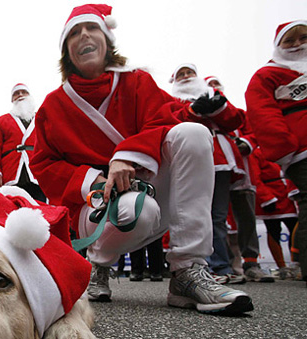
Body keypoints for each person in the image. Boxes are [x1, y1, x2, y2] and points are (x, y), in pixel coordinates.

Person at [30, 4, 253, 315]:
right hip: (96, 206)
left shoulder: (137, 82)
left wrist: (125, 158)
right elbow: (43, 164)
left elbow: (164, 121)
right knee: (140, 211)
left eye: (92, 28)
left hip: (145, 182)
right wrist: (94, 179)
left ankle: (187, 271)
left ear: (107, 39)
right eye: (74, 34)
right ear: (67, 51)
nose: (84, 36)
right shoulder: (53, 106)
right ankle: (96, 263)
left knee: (192, 133)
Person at [168, 64, 249, 284]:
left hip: (220, 160)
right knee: (191, 213)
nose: (186, 77)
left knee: (218, 216)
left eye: (189, 73)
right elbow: (168, 122)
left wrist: (218, 108)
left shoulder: (214, 94)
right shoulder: (171, 100)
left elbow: (236, 121)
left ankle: (220, 267)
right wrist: (192, 111)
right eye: (181, 74)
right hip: (188, 161)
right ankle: (195, 266)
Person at [245, 20, 307, 285]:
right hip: (300, 152)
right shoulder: (268, 74)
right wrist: (286, 146)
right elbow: (263, 113)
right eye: (289, 41)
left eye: (303, 38)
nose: (297, 45)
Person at [205, 75, 263, 281]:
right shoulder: (204, 114)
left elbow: (256, 132)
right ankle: (223, 264)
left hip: (242, 171)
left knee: (245, 215)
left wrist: (245, 143)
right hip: (216, 165)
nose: (212, 88)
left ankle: (251, 261)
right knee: (217, 216)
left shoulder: (237, 113)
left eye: (215, 84)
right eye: (208, 85)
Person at [0, 83, 46, 202]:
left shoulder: (41, 119)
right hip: (11, 173)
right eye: (16, 94)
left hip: (36, 173)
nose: (20, 95)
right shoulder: (2, 120)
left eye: (24, 92)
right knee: (12, 211)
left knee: (40, 211)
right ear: (12, 100)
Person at [250, 147, 299, 279]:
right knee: (273, 230)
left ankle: (296, 264)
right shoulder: (257, 153)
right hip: (271, 196)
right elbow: (255, 177)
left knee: (295, 228)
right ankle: (282, 267)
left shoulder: (284, 148)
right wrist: (266, 198)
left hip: (288, 195)